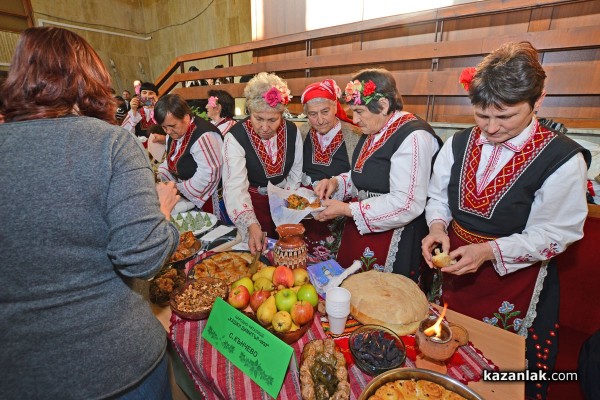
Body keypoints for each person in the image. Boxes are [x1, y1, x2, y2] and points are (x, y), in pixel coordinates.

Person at [0, 26, 180, 400]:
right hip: (118, 364)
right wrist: (161, 215)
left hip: (21, 372)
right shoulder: (110, 143)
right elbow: (142, 256)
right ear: (88, 78)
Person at [420, 41, 590, 399]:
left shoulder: (561, 158)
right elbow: (438, 197)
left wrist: (487, 252)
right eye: (482, 116)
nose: (491, 128)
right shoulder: (457, 144)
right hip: (452, 271)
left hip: (516, 280)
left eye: (505, 116)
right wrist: (437, 226)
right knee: (437, 360)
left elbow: (557, 232)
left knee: (498, 378)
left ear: (538, 101)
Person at [314, 68, 442, 278]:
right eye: (353, 112)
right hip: (364, 232)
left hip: (396, 237)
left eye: (360, 111)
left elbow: (407, 203)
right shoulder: (374, 129)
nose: (355, 120)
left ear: (383, 106)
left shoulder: (414, 137)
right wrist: (337, 182)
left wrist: (347, 210)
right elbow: (366, 177)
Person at [222, 72, 303, 253]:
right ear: (250, 111)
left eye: (273, 120)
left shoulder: (292, 131)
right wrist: (250, 223)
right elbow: (235, 186)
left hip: (284, 203)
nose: (265, 127)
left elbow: (296, 171)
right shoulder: (235, 137)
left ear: (282, 114)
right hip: (252, 204)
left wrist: (287, 206)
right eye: (258, 118)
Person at [299, 79, 361, 261]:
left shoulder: (354, 135)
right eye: (312, 114)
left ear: (335, 107)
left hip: (339, 216)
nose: (319, 120)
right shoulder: (302, 132)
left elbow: (360, 174)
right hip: (306, 213)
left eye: (325, 112)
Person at [154, 94, 226, 220]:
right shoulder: (174, 133)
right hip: (189, 196)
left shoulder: (205, 135)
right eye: (164, 127)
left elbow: (208, 175)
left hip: (215, 202)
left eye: (172, 126)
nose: (168, 132)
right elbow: (170, 160)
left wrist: (177, 188)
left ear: (186, 117)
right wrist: (159, 176)